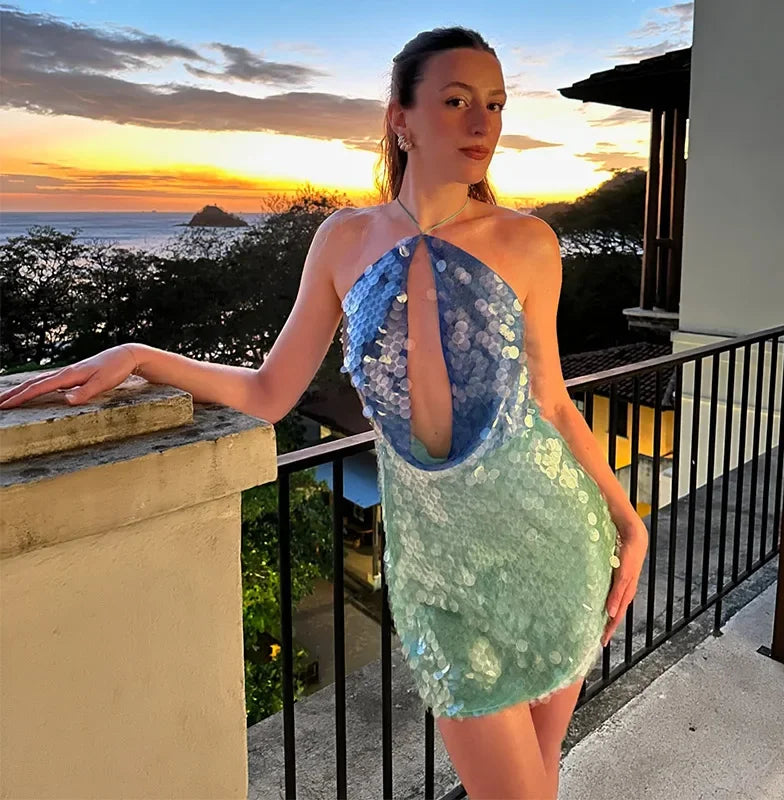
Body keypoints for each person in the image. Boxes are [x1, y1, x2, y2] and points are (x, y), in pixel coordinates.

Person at [0, 25, 648, 800]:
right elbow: (269, 391)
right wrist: (142, 356)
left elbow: (552, 402)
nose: (483, 122)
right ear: (402, 119)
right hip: (441, 576)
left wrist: (627, 521)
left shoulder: (529, 241)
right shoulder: (344, 240)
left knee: (538, 779)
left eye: (496, 103)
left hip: (557, 544)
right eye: (456, 100)